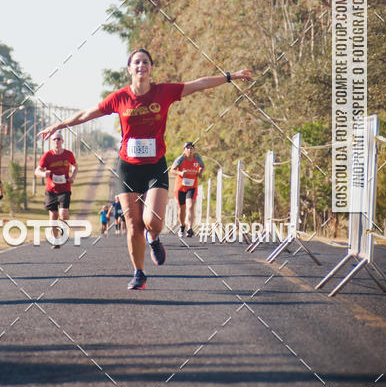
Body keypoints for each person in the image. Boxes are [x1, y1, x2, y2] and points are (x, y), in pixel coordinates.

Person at [41, 48, 252, 289]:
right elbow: (87, 114)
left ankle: (154, 238)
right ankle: (139, 273)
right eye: (136, 62)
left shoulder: (164, 91)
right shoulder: (119, 98)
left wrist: (230, 76)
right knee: (133, 223)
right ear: (129, 69)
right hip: (127, 168)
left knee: (152, 221)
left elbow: (199, 84)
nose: (141, 66)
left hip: (155, 166)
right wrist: (60, 124)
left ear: (151, 68)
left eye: (145, 62)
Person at [35, 132, 77, 248]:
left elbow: (75, 166)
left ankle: (63, 229)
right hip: (51, 190)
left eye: (59, 139)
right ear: (51, 142)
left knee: (63, 214)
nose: (57, 141)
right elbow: (37, 171)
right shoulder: (47, 156)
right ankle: (55, 239)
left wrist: (72, 177)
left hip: (64, 188)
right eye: (54, 139)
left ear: (62, 141)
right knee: (53, 216)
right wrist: (44, 174)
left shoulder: (68, 154)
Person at [171, 142, 204, 238]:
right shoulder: (181, 159)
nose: (190, 150)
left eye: (191, 148)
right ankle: (182, 227)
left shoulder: (197, 158)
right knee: (182, 208)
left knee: (190, 206)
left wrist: (200, 172)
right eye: (187, 148)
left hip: (192, 186)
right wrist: (180, 173)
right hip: (180, 187)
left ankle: (190, 228)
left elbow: (202, 166)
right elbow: (172, 170)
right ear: (184, 150)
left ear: (194, 150)